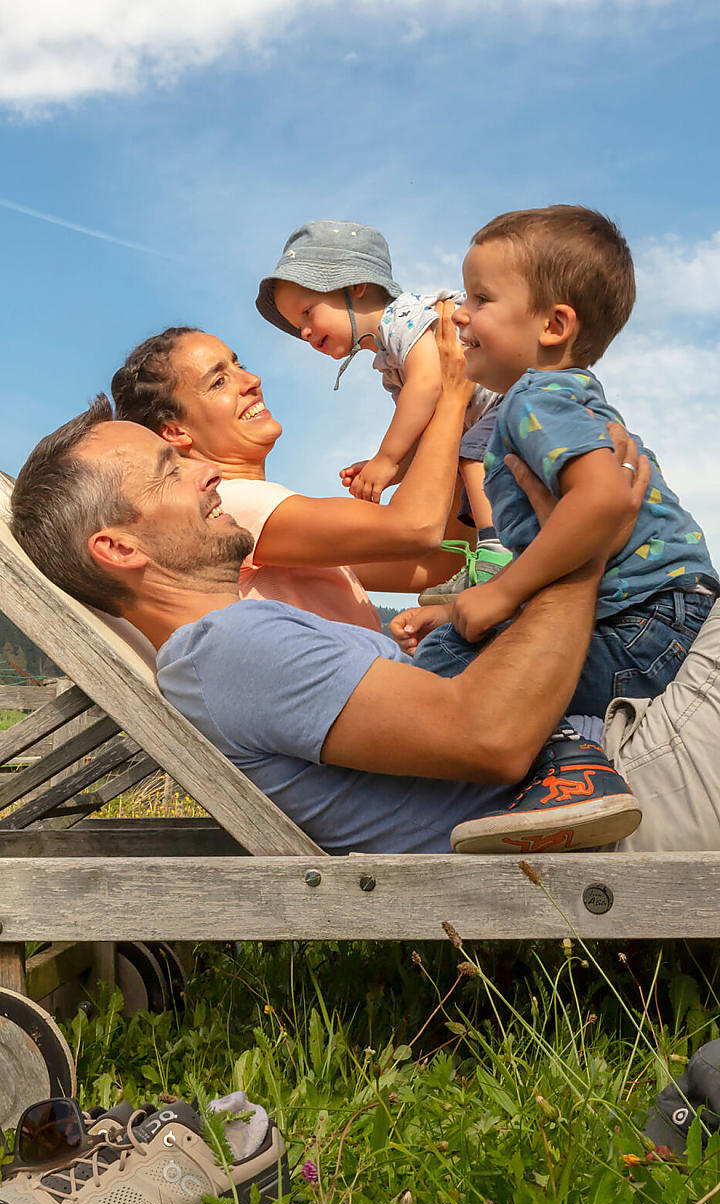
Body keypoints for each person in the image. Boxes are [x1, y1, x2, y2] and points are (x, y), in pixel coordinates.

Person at [9, 336, 647, 857]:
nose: (208, 474)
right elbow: (419, 539)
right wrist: (581, 544)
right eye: (170, 471)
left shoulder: (236, 637)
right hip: (606, 775)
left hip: (589, 761)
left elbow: (431, 558)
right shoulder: (229, 646)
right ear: (119, 549)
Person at [393, 205, 718, 717]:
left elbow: (604, 499)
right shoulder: (563, 397)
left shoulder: (535, 397)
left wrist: (501, 598)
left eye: (481, 298)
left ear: (552, 324)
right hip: (662, 616)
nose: (458, 312)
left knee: (447, 667)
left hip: (641, 624)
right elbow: (558, 545)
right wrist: (459, 608)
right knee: (463, 645)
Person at [110, 309, 488, 631]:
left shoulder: (269, 530)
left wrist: (455, 434)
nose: (251, 381)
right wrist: (454, 397)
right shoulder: (223, 506)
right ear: (175, 431)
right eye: (219, 381)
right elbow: (415, 528)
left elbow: (437, 563)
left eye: (239, 365)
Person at [255, 219, 510, 591]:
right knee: (464, 455)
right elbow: (426, 430)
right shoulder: (390, 364)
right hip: (487, 416)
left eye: (308, 312)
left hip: (509, 399)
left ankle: (496, 551)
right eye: (298, 325)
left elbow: (427, 383)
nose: (304, 331)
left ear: (355, 286)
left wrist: (386, 458)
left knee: (471, 454)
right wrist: (395, 470)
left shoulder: (404, 319)